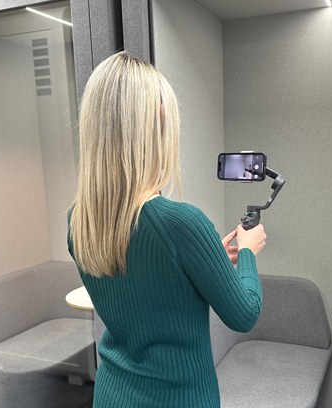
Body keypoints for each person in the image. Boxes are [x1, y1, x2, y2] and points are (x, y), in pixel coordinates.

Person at [67, 51, 266, 408]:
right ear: (160, 118)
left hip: (112, 395)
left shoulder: (78, 221)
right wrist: (248, 251)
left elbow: (139, 292)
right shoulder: (181, 222)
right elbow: (244, 315)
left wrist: (207, 261)